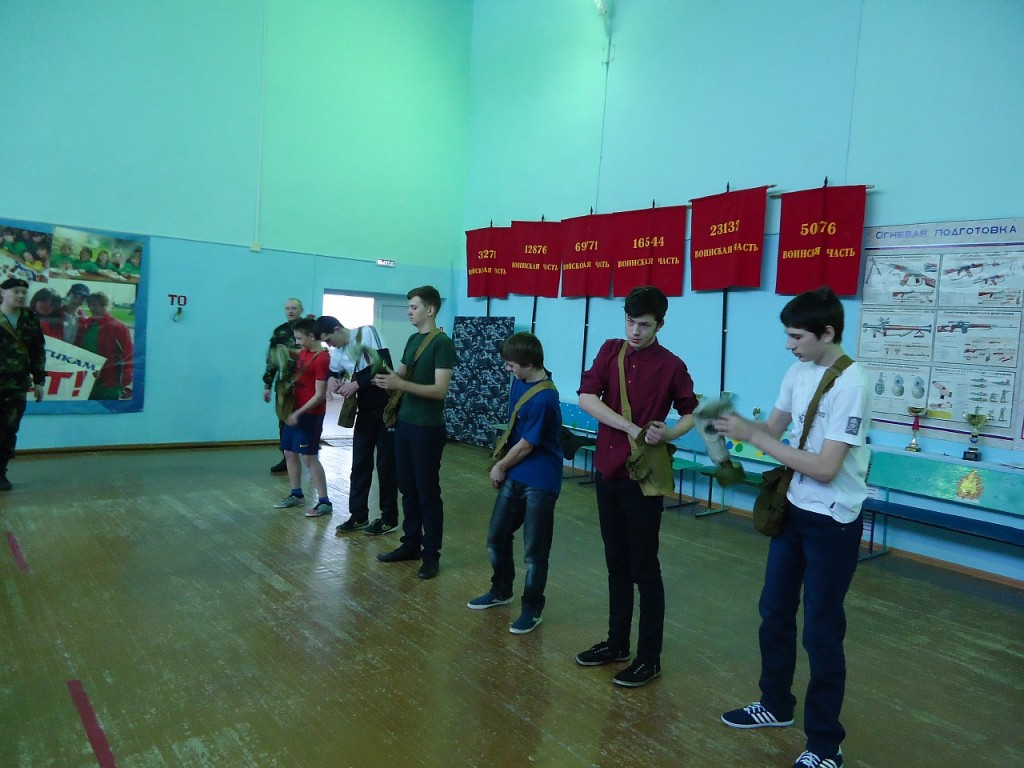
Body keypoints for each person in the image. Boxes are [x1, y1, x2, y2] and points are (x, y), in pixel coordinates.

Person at [715, 287, 871, 768]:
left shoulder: (852, 383)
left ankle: (825, 744)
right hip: (794, 510)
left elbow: (825, 467)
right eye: (787, 335)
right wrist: (730, 427)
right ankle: (776, 704)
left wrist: (756, 437)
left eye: (797, 336)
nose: (789, 345)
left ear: (827, 333)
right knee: (775, 611)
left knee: (822, 631)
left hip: (833, 519)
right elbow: (773, 432)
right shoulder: (797, 371)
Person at [573, 285, 698, 688]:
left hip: (642, 478)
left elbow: (692, 412)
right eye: (630, 322)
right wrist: (630, 427)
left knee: (645, 567)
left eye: (644, 324)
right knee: (616, 563)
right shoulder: (611, 351)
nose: (635, 331)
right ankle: (617, 643)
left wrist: (670, 432)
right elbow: (586, 398)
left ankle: (649, 658)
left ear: (660, 324)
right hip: (607, 471)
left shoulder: (671, 365)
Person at [467, 332, 562, 634]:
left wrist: (500, 466)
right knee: (496, 537)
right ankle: (501, 590)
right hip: (517, 473)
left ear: (528, 364)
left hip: (540, 480)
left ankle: (532, 609)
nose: (507, 369)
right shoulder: (521, 380)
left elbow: (526, 445)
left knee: (534, 553)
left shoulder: (545, 398)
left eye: (511, 365)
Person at [373, 285, 456, 580]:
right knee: (407, 488)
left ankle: (430, 554)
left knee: (427, 493)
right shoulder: (412, 339)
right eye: (409, 307)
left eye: (414, 307)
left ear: (430, 310)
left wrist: (400, 384)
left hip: (427, 429)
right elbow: (401, 375)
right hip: (405, 424)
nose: (409, 312)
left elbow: (440, 390)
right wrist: (380, 373)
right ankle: (410, 544)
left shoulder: (442, 343)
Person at [315, 316, 399, 536]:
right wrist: (332, 379)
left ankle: (389, 518)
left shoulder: (366, 333)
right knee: (360, 464)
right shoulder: (338, 351)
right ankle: (359, 515)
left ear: (337, 329)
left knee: (386, 466)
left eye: (329, 340)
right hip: (365, 411)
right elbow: (333, 371)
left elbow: (383, 365)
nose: (330, 345)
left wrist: (357, 384)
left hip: (385, 409)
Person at [272, 317, 333, 518]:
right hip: (295, 411)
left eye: (300, 338)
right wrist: (284, 350)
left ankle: (324, 502)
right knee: (289, 452)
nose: (297, 342)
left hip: (310, 416)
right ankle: (296, 495)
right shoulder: (305, 352)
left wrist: (298, 413)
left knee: (309, 457)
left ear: (312, 337)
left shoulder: (322, 359)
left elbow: (320, 395)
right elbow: (298, 354)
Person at [0, 278, 46, 490]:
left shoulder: (30, 319)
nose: (20, 295)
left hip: (16, 386)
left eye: (23, 292)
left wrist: (39, 381)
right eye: (16, 291)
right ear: (3, 292)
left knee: (9, 430)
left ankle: (1, 472)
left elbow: (37, 351)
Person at [263, 298, 304, 474]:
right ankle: (286, 457)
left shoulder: (309, 329)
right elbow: (272, 360)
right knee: (284, 420)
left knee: (306, 420)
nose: (290, 311)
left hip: (305, 382)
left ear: (301, 309)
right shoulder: (279, 331)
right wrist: (267, 384)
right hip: (285, 383)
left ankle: (309, 456)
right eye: (287, 308)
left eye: (294, 308)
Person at [74, 292, 134, 400]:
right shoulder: (86, 325)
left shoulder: (117, 327)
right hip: (86, 382)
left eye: (101, 305)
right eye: (93, 305)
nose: (96, 308)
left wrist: (124, 380)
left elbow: (127, 355)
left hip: (109, 384)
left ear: (108, 306)